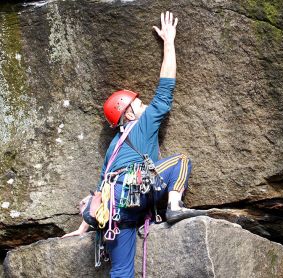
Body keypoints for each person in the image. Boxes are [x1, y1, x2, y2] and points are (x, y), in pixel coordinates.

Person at [62, 11, 205, 278]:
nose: (145, 104)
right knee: (181, 160)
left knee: (121, 271)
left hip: (113, 212)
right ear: (129, 114)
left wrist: (82, 228)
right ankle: (174, 206)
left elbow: (100, 187)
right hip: (133, 191)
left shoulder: (113, 147)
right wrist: (169, 42)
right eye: (139, 104)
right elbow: (165, 89)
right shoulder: (142, 125)